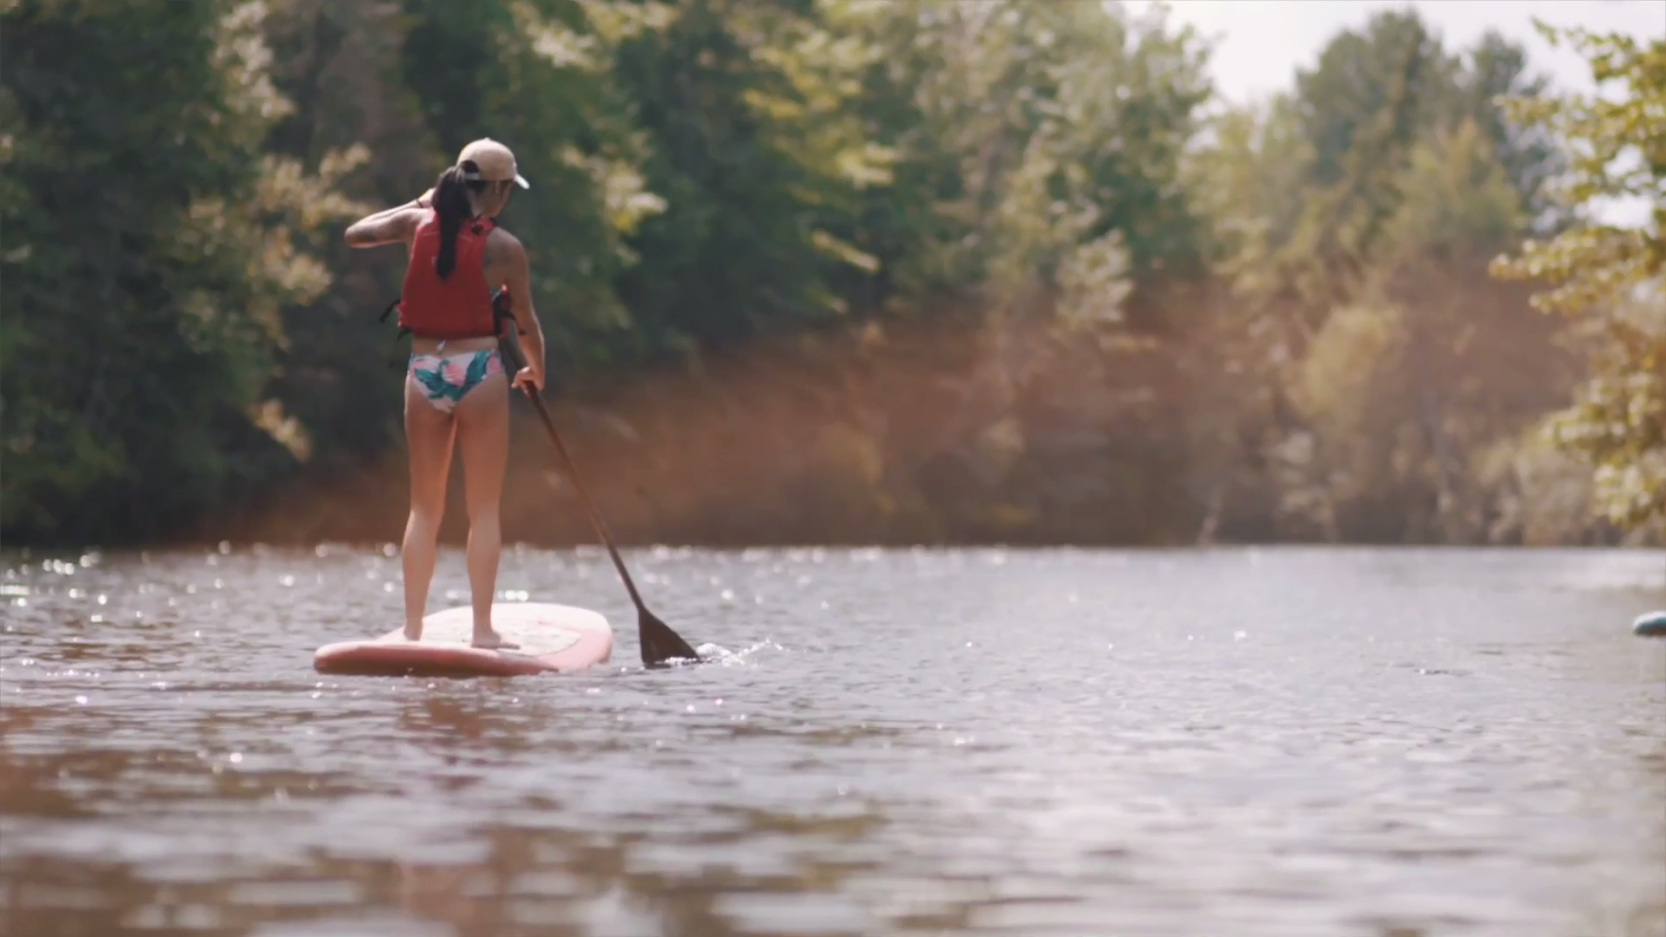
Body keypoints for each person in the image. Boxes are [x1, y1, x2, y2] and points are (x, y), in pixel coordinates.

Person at [343, 138, 546, 649]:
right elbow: (526, 325)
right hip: (478, 368)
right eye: (508, 191)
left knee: (423, 510)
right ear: (497, 189)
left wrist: (418, 204)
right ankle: (482, 631)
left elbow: (355, 234)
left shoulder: (415, 226)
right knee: (483, 510)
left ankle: (412, 630)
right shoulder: (506, 249)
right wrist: (535, 372)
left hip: (424, 369)